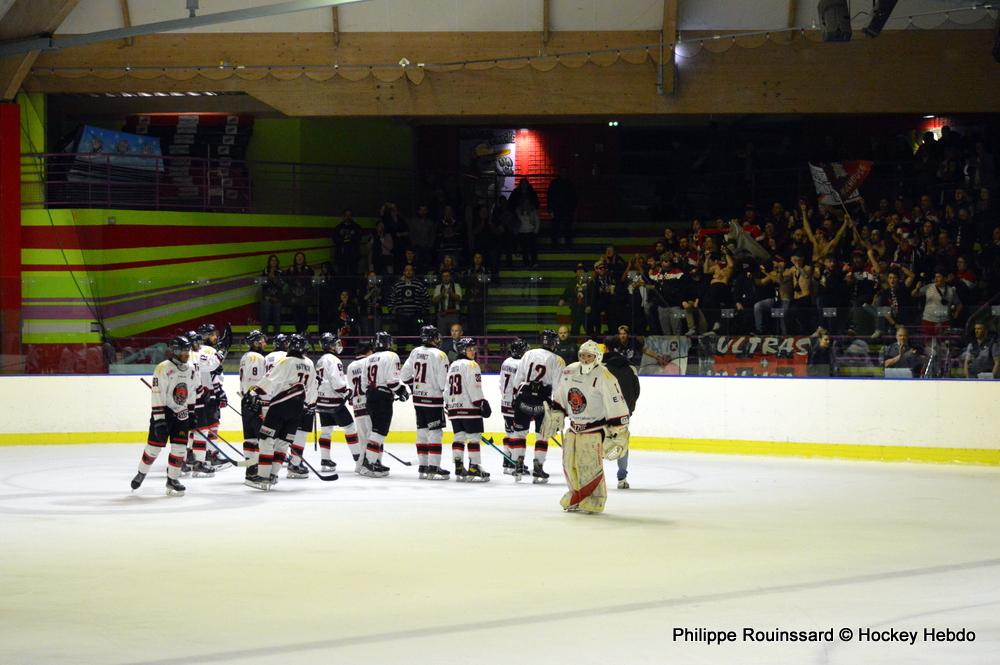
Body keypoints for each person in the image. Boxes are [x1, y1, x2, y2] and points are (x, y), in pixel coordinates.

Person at [541, 340, 630, 514]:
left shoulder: (604, 375)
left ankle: (595, 499)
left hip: (593, 430)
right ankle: (576, 495)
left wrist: (619, 430)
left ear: (597, 357)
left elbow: (615, 402)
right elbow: (561, 394)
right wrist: (557, 413)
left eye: (589, 356)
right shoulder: (570, 370)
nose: (585, 359)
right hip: (574, 429)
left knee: (589, 466)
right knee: (569, 464)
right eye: (582, 355)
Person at [244, 333, 316, 491]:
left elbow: (270, 379)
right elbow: (312, 388)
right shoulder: (310, 364)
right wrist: (310, 406)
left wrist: (253, 393)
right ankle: (273, 475)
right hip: (298, 409)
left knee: (266, 439)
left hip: (280, 405)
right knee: (283, 443)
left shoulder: (286, 361)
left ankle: (263, 476)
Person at [130, 335, 197, 496]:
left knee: (180, 448)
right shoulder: (163, 368)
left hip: (182, 414)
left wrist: (192, 413)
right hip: (164, 413)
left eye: (187, 350)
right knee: (154, 448)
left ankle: (172, 479)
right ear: (174, 351)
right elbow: (157, 394)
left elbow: (192, 392)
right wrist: (159, 419)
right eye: (182, 350)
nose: (186, 353)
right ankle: (141, 473)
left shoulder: (191, 369)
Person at [510, 329, 566, 483]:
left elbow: (518, 378)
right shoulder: (558, 360)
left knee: (519, 433)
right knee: (542, 435)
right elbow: (558, 387)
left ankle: (518, 465)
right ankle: (538, 467)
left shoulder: (529, 354)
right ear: (554, 342)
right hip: (543, 399)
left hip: (524, 396)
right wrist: (559, 407)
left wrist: (515, 397)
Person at [400, 325, 451, 480]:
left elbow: (404, 375)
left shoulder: (415, 351)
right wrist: (448, 401)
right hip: (433, 400)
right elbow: (443, 383)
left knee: (422, 431)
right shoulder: (440, 355)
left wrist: (414, 387)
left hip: (418, 399)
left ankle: (423, 466)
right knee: (435, 433)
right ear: (433, 338)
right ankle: (434, 467)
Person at [360, 332, 409, 477]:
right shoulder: (391, 356)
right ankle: (369, 462)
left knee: (376, 430)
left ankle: (372, 461)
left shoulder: (368, 359)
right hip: (383, 398)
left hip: (370, 397)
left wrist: (375, 393)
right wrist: (402, 391)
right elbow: (392, 382)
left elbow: (363, 385)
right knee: (379, 431)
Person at [446, 337, 491, 482]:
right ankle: (474, 467)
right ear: (462, 350)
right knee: (474, 438)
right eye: (470, 349)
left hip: (454, 408)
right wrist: (481, 403)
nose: (473, 351)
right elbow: (474, 387)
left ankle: (458, 466)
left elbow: (446, 388)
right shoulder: (472, 365)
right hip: (469, 408)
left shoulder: (452, 365)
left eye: (474, 349)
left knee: (459, 437)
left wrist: (449, 404)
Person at [315, 332, 360, 471]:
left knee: (326, 431)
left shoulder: (321, 360)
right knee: (350, 428)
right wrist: (347, 392)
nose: (338, 346)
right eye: (335, 343)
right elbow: (337, 383)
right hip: (334, 402)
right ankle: (359, 459)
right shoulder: (334, 360)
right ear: (330, 345)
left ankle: (325, 460)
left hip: (321, 401)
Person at [602, 344, 640, 489]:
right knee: (622, 441)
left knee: (597, 441)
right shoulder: (631, 368)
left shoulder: (602, 369)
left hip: (605, 412)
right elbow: (636, 391)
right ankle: (622, 478)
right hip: (624, 412)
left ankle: (596, 477)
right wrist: (629, 409)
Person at [238, 330, 267, 481]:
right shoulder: (257, 357)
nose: (265, 343)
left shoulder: (245, 356)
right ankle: (260, 468)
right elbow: (254, 380)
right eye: (262, 340)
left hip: (246, 401)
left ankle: (250, 469)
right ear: (256, 342)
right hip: (255, 401)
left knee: (250, 437)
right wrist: (255, 396)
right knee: (262, 437)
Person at [499, 337, 527, 475]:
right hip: (516, 404)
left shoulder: (506, 362)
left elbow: (501, 383)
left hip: (505, 402)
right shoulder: (521, 364)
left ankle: (507, 461)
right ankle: (515, 463)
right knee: (517, 435)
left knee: (509, 433)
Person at [346, 341, 374, 473]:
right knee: (373, 436)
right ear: (368, 351)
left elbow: (351, 386)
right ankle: (371, 463)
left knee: (363, 438)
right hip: (368, 402)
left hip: (357, 404)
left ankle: (359, 465)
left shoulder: (350, 366)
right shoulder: (368, 361)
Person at [390, 265, 430, 340]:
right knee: (402, 337)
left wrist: (424, 310)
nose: (408, 272)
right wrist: (392, 310)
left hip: (416, 315)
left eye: (410, 270)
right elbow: (392, 298)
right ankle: (401, 347)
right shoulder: (397, 285)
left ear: (413, 272)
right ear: (404, 272)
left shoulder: (419, 284)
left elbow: (426, 297)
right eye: (406, 270)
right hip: (401, 316)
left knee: (416, 336)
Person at [547, 168, 578, 245]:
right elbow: (550, 196)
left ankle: (559, 243)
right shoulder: (568, 183)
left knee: (563, 227)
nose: (563, 173)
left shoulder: (556, 183)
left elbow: (550, 196)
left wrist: (550, 208)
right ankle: (562, 243)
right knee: (560, 227)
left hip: (562, 208)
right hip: (561, 208)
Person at [286, 252, 314, 334]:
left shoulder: (307, 268)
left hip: (304, 296)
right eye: (298, 257)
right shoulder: (291, 269)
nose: (299, 258)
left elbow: (311, 275)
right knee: (296, 315)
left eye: (301, 257)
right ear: (295, 259)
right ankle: (298, 332)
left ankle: (304, 332)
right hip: (294, 295)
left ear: (304, 259)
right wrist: (291, 272)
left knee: (304, 314)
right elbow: (287, 280)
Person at [332, 209, 363, 277]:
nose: (348, 217)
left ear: (352, 216)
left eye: (349, 215)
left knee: (353, 275)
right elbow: (335, 240)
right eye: (346, 215)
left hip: (353, 256)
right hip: (341, 256)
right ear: (343, 217)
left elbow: (359, 238)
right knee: (341, 275)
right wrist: (342, 238)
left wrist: (351, 237)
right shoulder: (338, 228)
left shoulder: (357, 227)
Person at [260, 255, 283, 336]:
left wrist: (274, 278)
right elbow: (262, 284)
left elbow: (281, 285)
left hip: (277, 298)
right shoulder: (265, 271)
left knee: (277, 319)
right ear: (269, 262)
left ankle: (277, 337)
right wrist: (268, 277)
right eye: (272, 260)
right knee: (265, 317)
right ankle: (264, 336)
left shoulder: (280, 272)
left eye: (275, 260)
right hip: (267, 298)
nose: (273, 262)